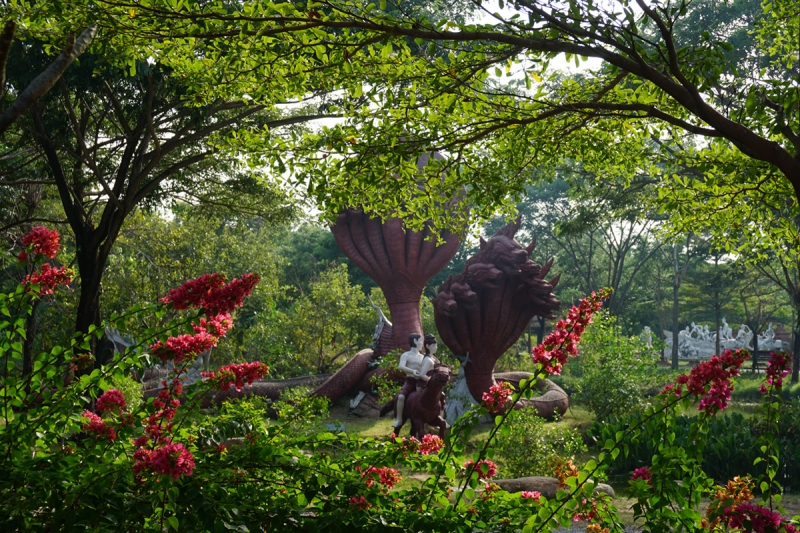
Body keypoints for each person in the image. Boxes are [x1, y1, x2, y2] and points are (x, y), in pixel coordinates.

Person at [393, 333, 435, 431]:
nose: (422, 343)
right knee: (401, 397)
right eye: (420, 341)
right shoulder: (406, 355)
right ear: (415, 341)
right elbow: (401, 366)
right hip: (410, 381)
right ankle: (399, 419)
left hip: (421, 382)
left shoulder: (423, 357)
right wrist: (412, 371)